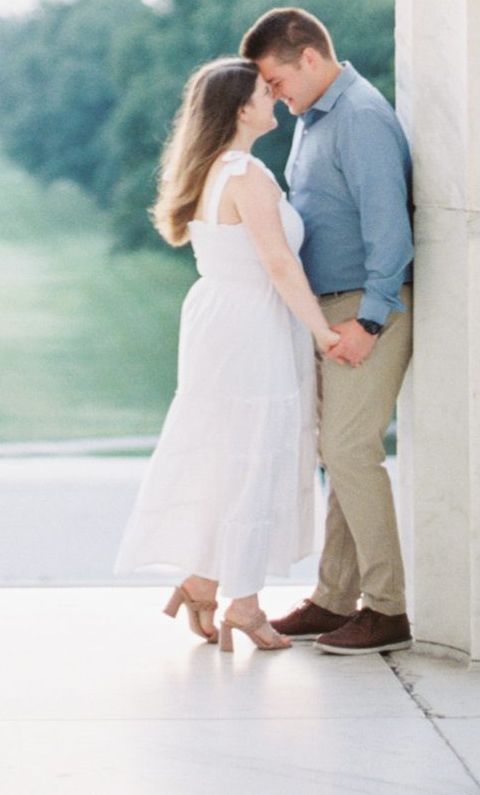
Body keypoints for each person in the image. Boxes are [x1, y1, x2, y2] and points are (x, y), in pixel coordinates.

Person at [115, 58, 341, 650]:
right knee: (254, 453)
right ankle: (240, 601)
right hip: (251, 323)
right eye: (266, 93)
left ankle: (204, 583)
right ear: (242, 109)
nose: (276, 98)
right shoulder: (247, 175)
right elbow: (279, 263)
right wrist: (322, 331)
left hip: (221, 317)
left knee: (231, 452)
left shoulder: (213, 170)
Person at [242, 6, 414, 655]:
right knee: (336, 455)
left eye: (276, 83)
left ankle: (389, 608)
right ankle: (335, 597)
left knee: (349, 451)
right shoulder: (315, 119)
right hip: (330, 308)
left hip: (369, 307)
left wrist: (369, 319)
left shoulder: (362, 118)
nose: (275, 99)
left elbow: (390, 230)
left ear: (308, 58)